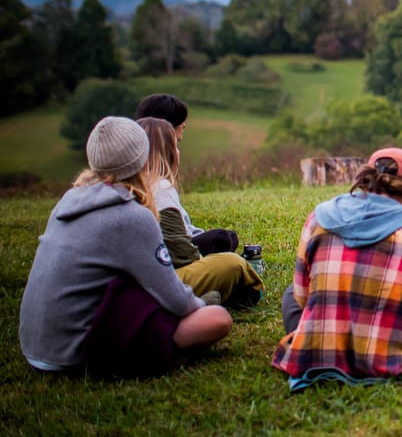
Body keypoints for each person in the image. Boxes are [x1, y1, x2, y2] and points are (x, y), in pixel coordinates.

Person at [19, 116, 231, 378]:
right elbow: (175, 298)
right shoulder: (131, 216)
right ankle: (161, 356)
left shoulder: (69, 200)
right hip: (75, 355)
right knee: (217, 319)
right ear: (142, 158)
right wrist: (201, 307)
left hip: (36, 348)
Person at [272, 147, 402, 390]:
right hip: (385, 351)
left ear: (365, 179)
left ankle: (318, 344)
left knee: (290, 293)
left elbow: (302, 296)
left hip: (321, 344)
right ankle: (388, 349)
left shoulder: (317, 217)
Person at [137, 117, 263, 307]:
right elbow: (182, 256)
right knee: (232, 264)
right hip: (157, 281)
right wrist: (208, 263)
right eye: (176, 146)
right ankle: (202, 300)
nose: (179, 152)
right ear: (168, 153)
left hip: (136, 278)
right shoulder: (160, 188)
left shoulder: (127, 185)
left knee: (222, 241)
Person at [136, 93, 240, 254]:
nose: (184, 125)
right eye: (180, 120)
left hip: (160, 249)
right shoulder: (159, 185)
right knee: (221, 238)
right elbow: (178, 235)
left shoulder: (139, 174)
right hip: (171, 255)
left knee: (227, 237)